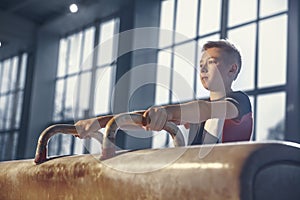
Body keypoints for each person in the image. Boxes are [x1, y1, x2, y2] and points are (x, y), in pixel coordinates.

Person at [76, 39, 253, 145]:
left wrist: (167, 111)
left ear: (232, 69)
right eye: (201, 65)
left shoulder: (239, 101)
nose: (203, 68)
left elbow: (206, 110)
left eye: (212, 62)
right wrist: (101, 123)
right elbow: (145, 120)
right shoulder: (197, 111)